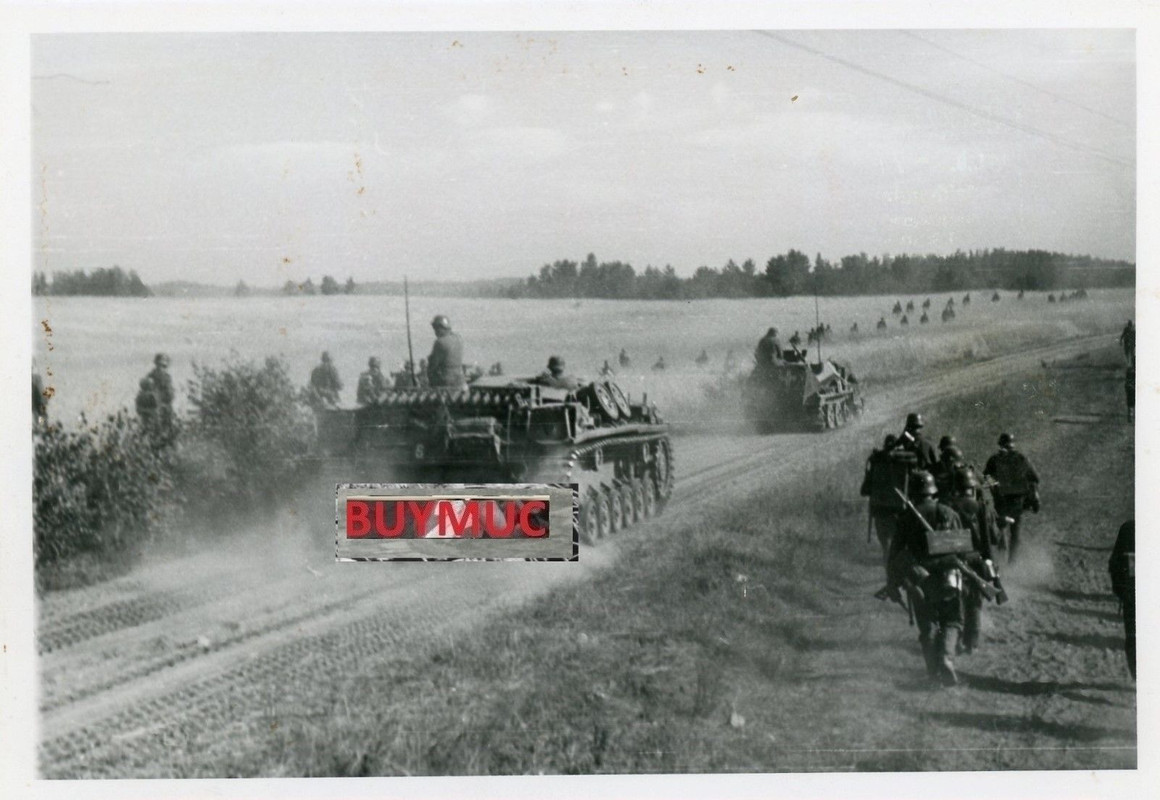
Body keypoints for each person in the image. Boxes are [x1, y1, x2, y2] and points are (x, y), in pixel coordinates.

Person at [886, 470, 965, 685]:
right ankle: (947, 658)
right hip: (948, 576)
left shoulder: (905, 519)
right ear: (933, 491)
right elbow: (961, 550)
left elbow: (894, 555)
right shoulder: (948, 512)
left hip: (919, 580)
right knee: (952, 621)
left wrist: (891, 583)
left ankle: (933, 674)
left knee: (928, 626)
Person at [946, 468, 999, 656]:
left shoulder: (948, 506)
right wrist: (991, 564)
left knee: (956, 602)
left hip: (955, 560)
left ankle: (956, 641)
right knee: (975, 604)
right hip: (976, 560)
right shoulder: (981, 507)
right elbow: (988, 540)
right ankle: (972, 643)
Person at [984, 432, 1040, 565]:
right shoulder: (1022, 458)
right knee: (1015, 534)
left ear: (1000, 444)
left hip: (1001, 501)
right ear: (1013, 444)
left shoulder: (994, 459)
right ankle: (1012, 563)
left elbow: (986, 477)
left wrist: (995, 487)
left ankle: (998, 559)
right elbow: (1035, 478)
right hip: (1017, 503)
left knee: (1000, 529)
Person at [860, 434, 903, 576]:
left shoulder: (876, 462)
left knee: (886, 545)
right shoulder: (902, 461)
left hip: (879, 510)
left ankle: (889, 575)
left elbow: (865, 490)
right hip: (898, 511)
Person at [1109, 520, 1135, 680]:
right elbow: (1114, 564)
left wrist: (1120, 591)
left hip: (1132, 596)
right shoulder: (1128, 529)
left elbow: (1113, 564)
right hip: (1134, 596)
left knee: (1134, 639)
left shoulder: (1128, 528)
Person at [427, 314, 466, 389]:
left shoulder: (440, 342)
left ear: (440, 328)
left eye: (435, 328)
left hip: (446, 381)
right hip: (460, 380)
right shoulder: (459, 338)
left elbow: (433, 366)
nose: (435, 332)